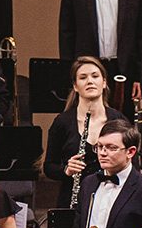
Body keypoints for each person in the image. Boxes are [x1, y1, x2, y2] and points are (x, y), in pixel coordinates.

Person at [44, 56, 125, 207]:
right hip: (72, 201)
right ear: (75, 86)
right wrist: (67, 170)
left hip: (112, 199)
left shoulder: (118, 120)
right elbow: (49, 167)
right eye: (83, 77)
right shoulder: (63, 122)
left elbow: (130, 163)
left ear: (104, 82)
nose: (89, 81)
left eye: (95, 76)